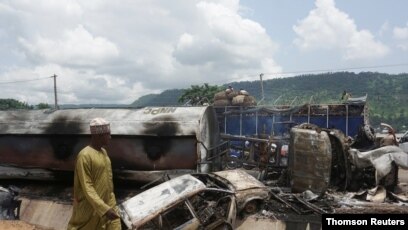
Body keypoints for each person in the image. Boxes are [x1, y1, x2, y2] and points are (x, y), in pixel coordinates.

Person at [67, 118, 121, 230]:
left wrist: (110, 205)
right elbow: (87, 187)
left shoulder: (103, 152)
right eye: (108, 134)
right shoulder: (84, 156)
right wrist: (103, 208)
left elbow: (108, 183)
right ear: (98, 136)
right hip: (90, 208)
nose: (110, 137)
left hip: (109, 204)